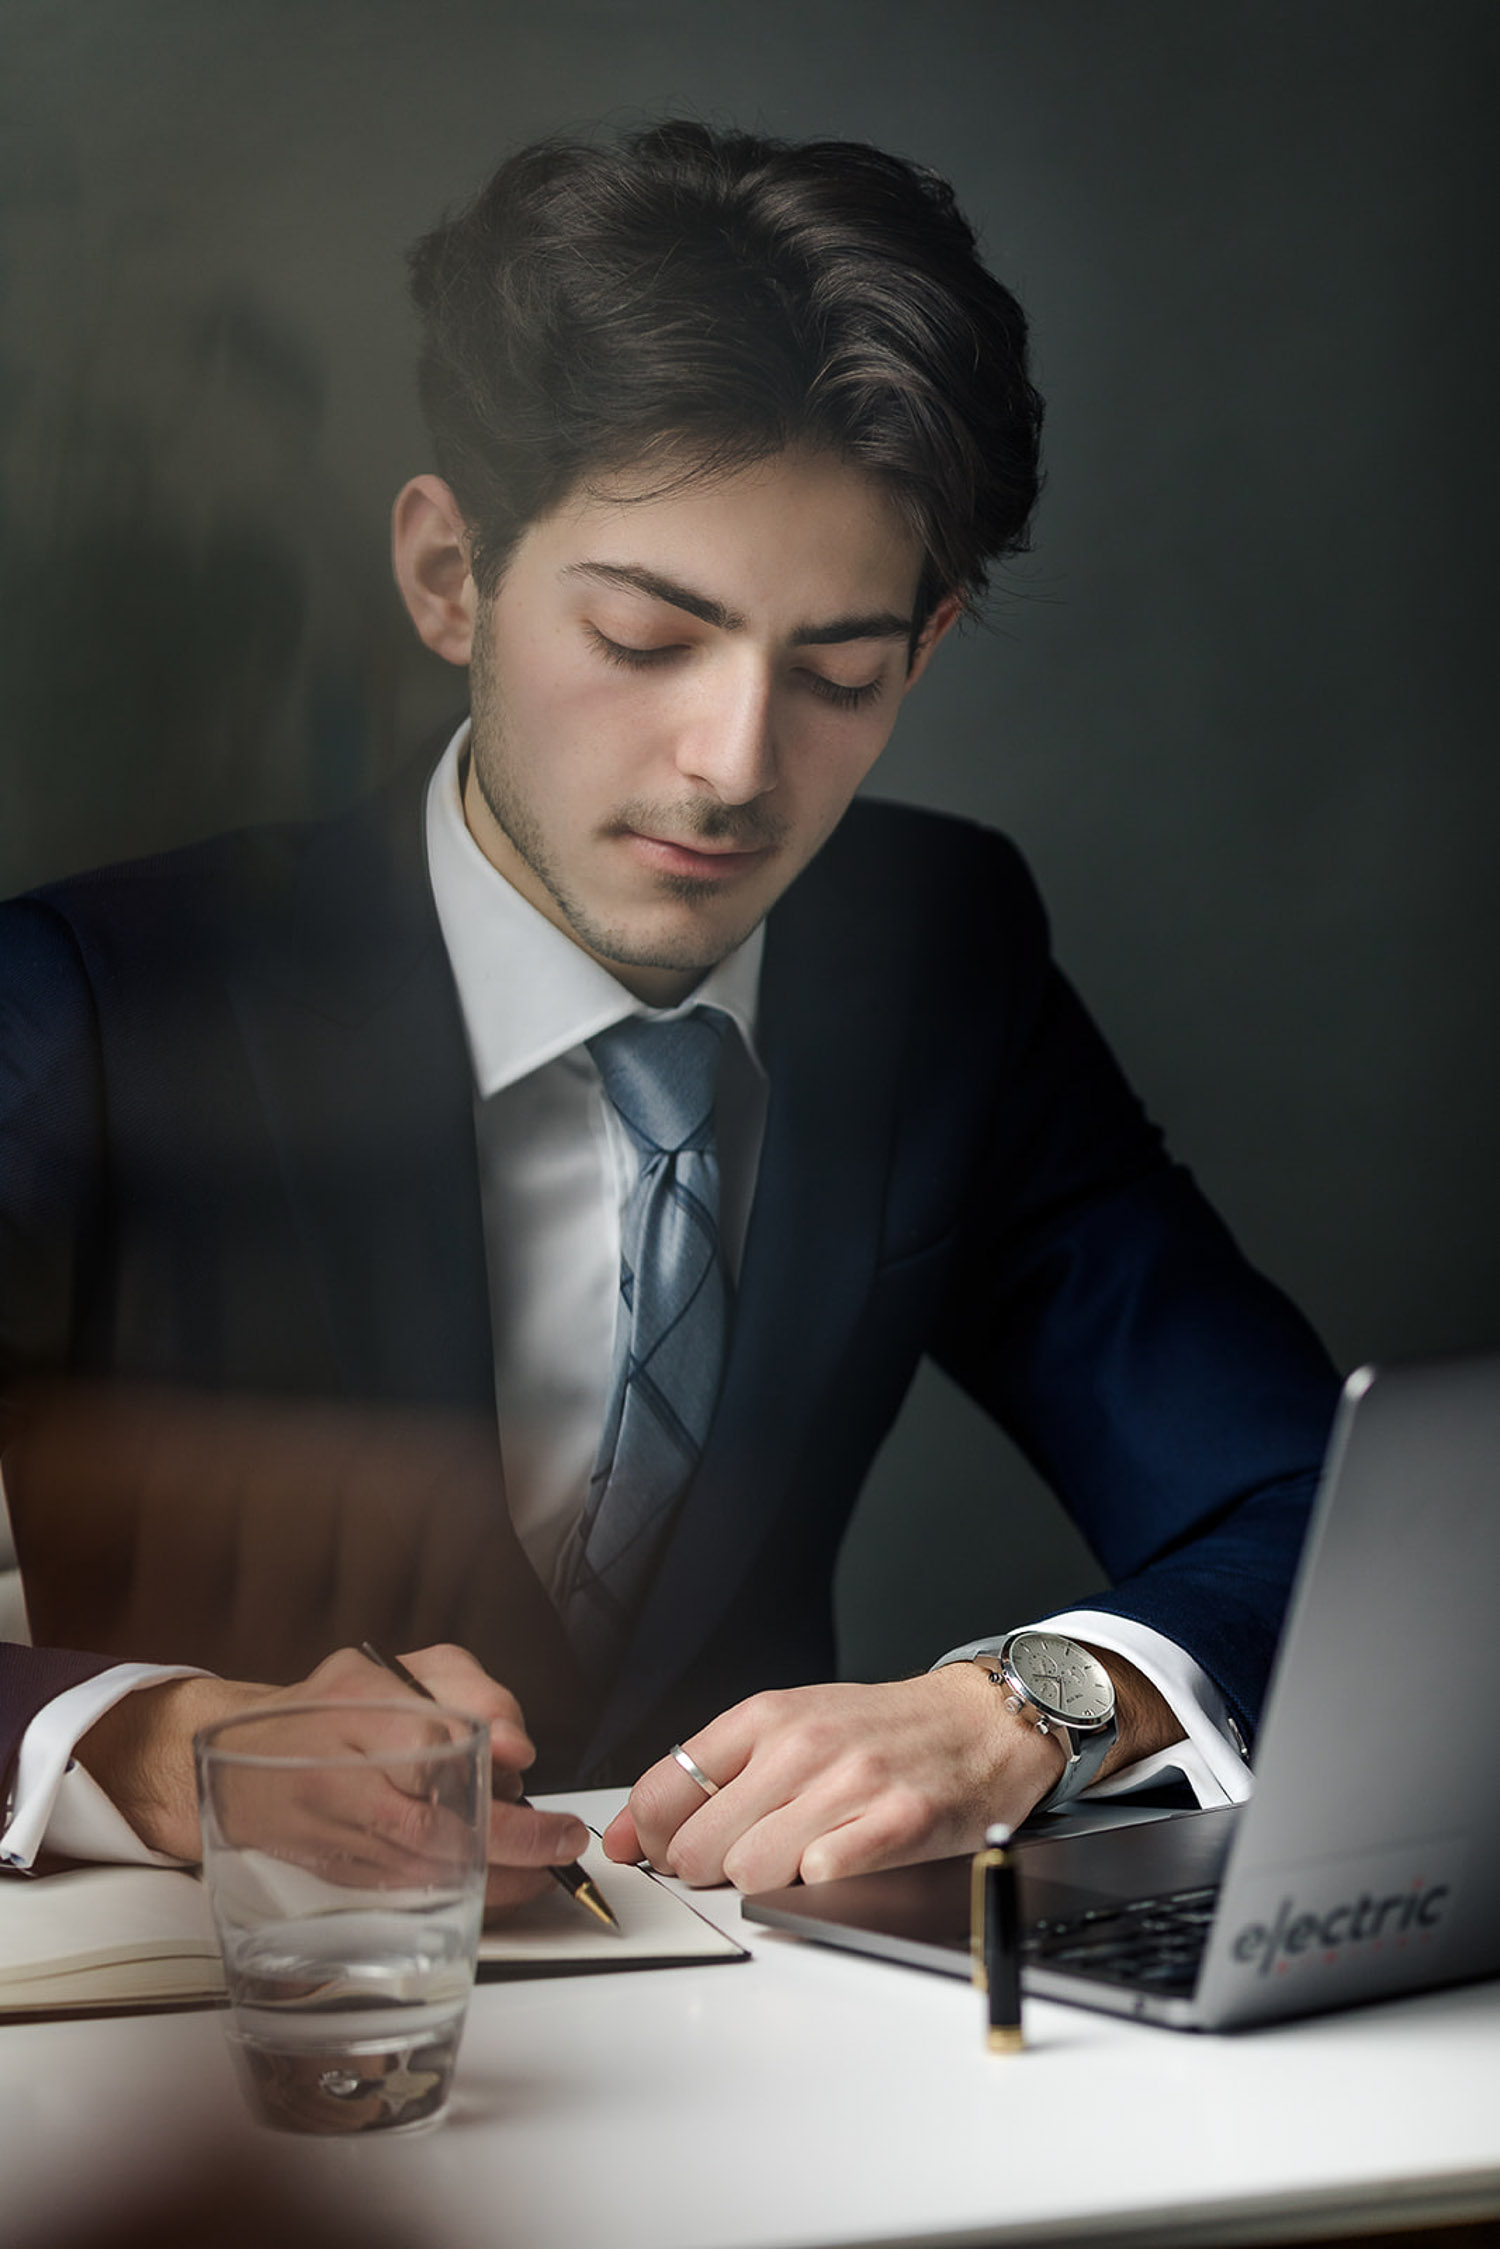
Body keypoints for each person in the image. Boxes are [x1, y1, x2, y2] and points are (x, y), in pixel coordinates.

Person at [0, 121, 1339, 1907]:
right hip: (239, 2066)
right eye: (645, 638)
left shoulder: (938, 953)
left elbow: (1316, 1510)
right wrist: (156, 1741)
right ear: (449, 575)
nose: (733, 766)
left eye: (842, 673)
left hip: (789, 2019)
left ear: (925, 649)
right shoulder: (90, 995)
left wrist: (1029, 1704)